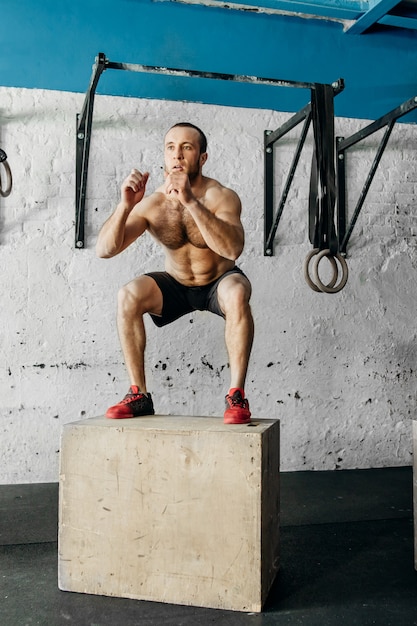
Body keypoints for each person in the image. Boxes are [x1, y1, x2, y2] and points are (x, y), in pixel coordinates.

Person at [96, 122, 254, 424]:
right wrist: (125, 205)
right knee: (127, 294)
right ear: (164, 155)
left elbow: (233, 250)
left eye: (187, 147)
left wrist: (190, 201)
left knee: (236, 293)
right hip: (176, 284)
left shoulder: (221, 196)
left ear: (202, 158)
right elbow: (105, 249)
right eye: (171, 147)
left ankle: (237, 395)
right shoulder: (152, 202)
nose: (177, 155)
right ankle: (139, 394)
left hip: (218, 282)